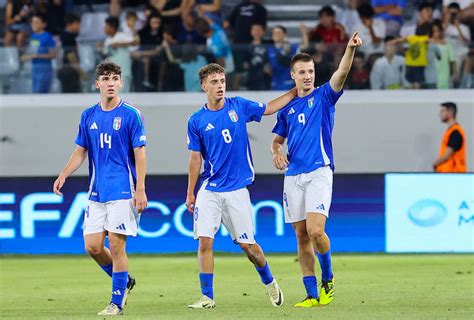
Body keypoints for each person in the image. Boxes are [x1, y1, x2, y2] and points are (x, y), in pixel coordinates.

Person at [185, 63, 297, 308]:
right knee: (205, 241)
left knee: (249, 247)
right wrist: (190, 192)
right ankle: (207, 296)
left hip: (236, 190)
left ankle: (269, 282)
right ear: (204, 86)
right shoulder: (196, 120)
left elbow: (268, 109)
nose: (219, 86)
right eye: (214, 82)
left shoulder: (239, 106)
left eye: (222, 81)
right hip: (210, 189)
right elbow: (195, 159)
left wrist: (294, 91)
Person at [271, 33, 362, 308]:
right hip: (293, 176)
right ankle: (311, 295)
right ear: (293, 75)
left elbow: (342, 72)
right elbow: (277, 140)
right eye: (302, 72)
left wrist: (349, 49)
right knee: (300, 236)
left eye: (310, 71)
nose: (308, 76)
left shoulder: (324, 96)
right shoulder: (285, 109)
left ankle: (329, 277)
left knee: (316, 231)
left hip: (319, 172)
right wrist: (276, 152)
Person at [53, 61, 148, 316]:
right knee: (93, 247)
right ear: (97, 84)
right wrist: (64, 173)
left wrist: (141, 188)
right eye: (105, 78)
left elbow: (140, 152)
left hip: (123, 190)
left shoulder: (131, 114)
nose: (110, 83)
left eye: (114, 78)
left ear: (120, 83)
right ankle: (125, 281)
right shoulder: (88, 116)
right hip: (96, 191)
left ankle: (116, 303)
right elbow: (81, 150)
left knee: (117, 246)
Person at [21, 14, 56, 94]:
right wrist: (26, 56)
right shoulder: (33, 36)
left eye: (37, 22)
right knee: (35, 93)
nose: (33, 24)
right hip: (35, 69)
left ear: (44, 24)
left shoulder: (47, 36)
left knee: (39, 93)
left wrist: (36, 56)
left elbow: (53, 54)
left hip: (45, 70)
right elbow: (31, 51)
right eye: (32, 22)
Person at [103, 16, 135, 92]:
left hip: (123, 72)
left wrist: (119, 44)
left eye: (106, 26)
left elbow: (135, 41)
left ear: (112, 27)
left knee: (123, 96)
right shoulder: (107, 40)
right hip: (112, 73)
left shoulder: (121, 36)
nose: (104, 28)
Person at [433, 102, 467, 172]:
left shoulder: (455, 132)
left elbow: (447, 155)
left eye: (442, 111)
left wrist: (435, 164)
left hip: (454, 174)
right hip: (449, 174)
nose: (440, 114)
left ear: (450, 112)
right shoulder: (451, 131)